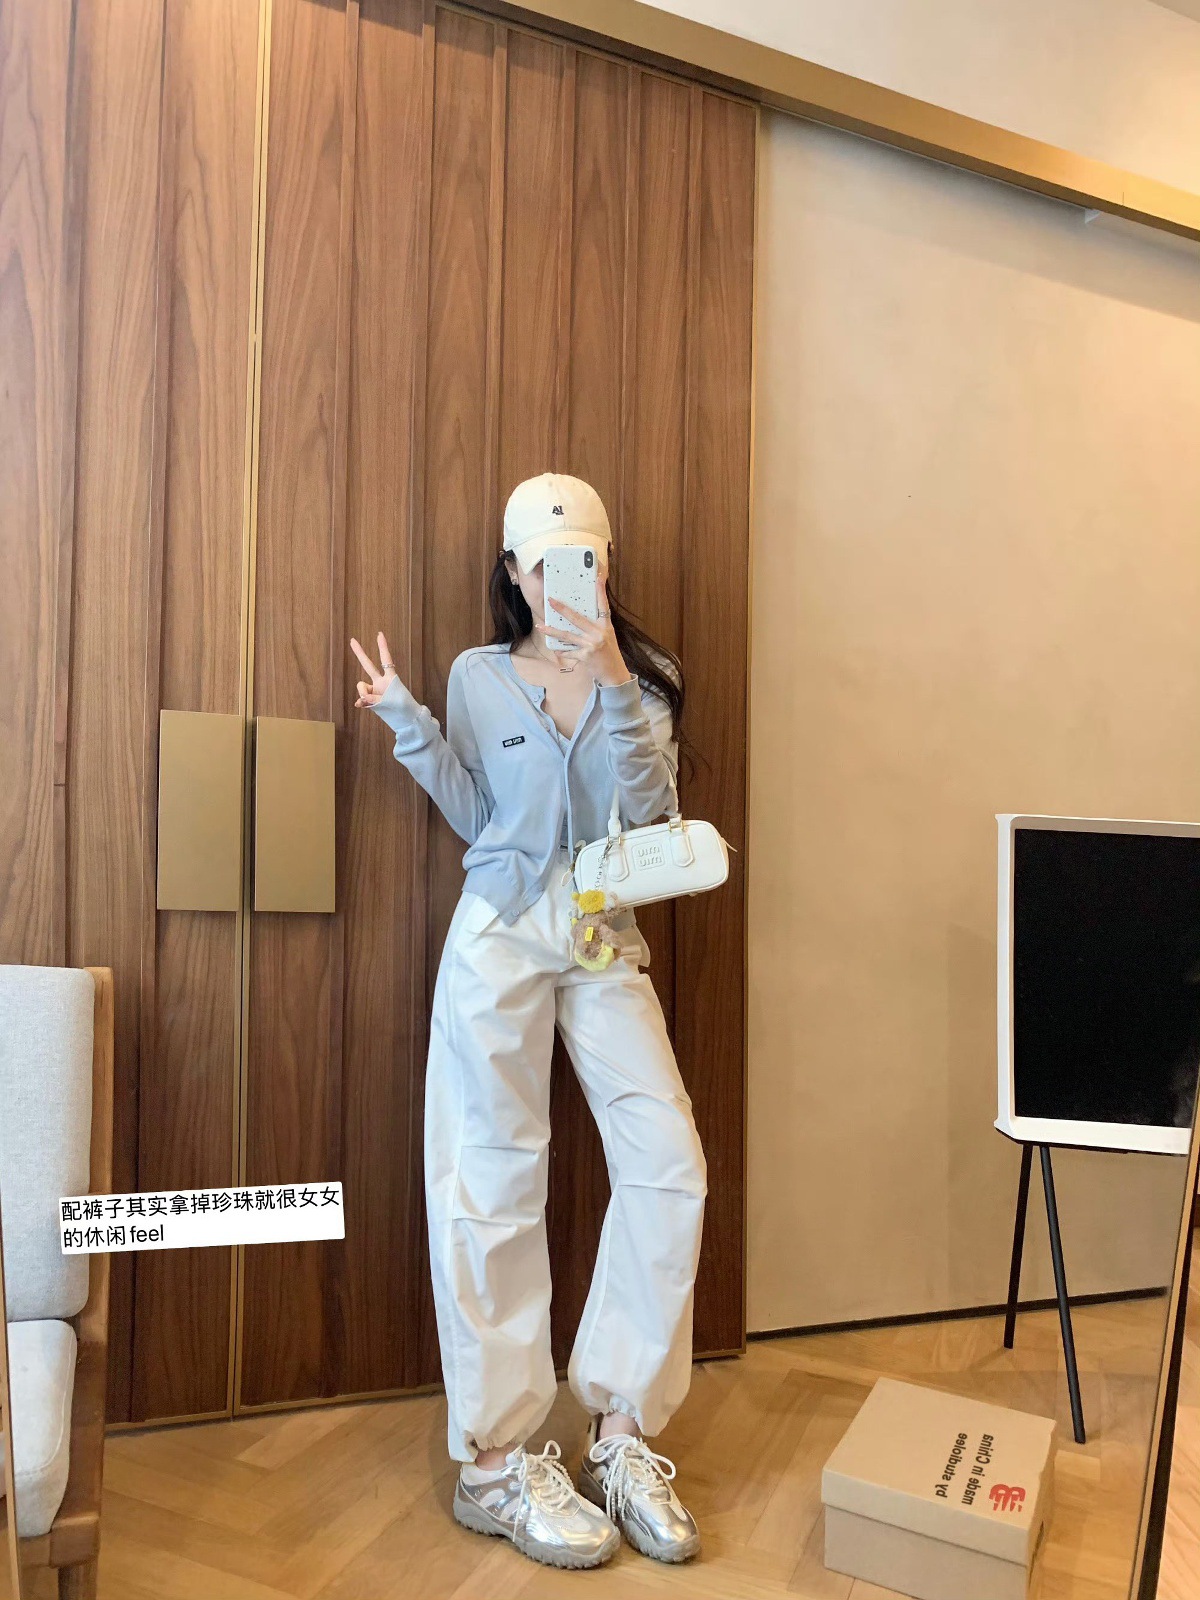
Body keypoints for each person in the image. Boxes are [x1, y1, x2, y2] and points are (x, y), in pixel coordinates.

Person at [350, 472, 707, 1571]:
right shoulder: (478, 675)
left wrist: (613, 680)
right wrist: (409, 723)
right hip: (501, 931)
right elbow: (479, 812)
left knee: (668, 1160)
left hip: (602, 933)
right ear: (512, 570)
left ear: (604, 563)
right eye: (543, 562)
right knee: (491, 1172)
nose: (561, 579)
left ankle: (621, 1430)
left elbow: (653, 820)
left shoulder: (647, 680)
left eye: (582, 559)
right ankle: (496, 1462)